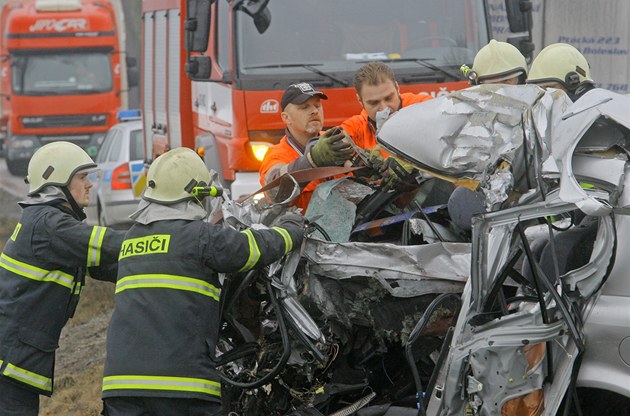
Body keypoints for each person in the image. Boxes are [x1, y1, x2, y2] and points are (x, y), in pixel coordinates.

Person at [102, 147, 305, 416]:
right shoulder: (200, 237)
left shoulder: (131, 240)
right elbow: (251, 249)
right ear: (197, 195)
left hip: (121, 384)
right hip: (182, 385)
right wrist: (292, 230)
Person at [0, 141, 125, 416]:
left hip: (14, 357)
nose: (90, 184)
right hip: (9, 360)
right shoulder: (50, 225)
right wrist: (166, 240)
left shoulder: (48, 224)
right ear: (56, 183)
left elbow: (107, 266)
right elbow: (107, 243)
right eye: (82, 177)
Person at [259, 82, 354, 209]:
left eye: (317, 105)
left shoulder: (336, 140)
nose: (314, 111)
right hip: (302, 227)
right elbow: (274, 192)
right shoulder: (277, 155)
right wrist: (312, 160)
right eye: (304, 107)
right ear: (286, 118)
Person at [341, 61, 432, 150]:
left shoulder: (423, 107)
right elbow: (332, 140)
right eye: (374, 103)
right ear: (360, 100)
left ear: (397, 88)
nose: (384, 108)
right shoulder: (357, 127)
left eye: (388, 98)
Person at [526, 43, 595, 101]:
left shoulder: (598, 115)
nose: (544, 96)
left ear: (576, 88)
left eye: (550, 87)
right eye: (539, 90)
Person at [461, 39, 528, 85]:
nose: (500, 89)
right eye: (492, 83)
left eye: (506, 81)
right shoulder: (464, 105)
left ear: (521, 81)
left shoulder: (535, 104)